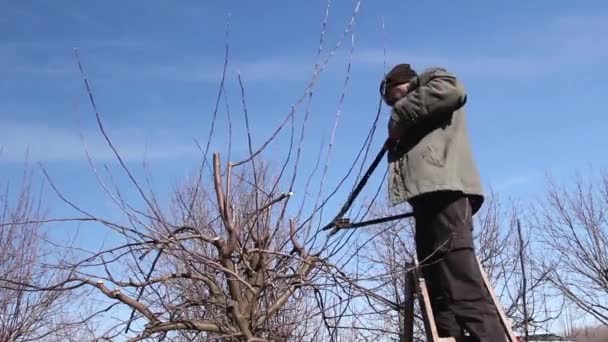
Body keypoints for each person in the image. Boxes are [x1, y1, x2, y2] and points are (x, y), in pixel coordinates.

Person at [379, 63, 505, 341]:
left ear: (404, 83)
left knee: (463, 290)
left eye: (393, 96)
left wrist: (399, 116)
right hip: (426, 204)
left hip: (446, 197)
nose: (394, 104)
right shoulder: (418, 115)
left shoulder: (433, 80)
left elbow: (453, 90)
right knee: (439, 297)